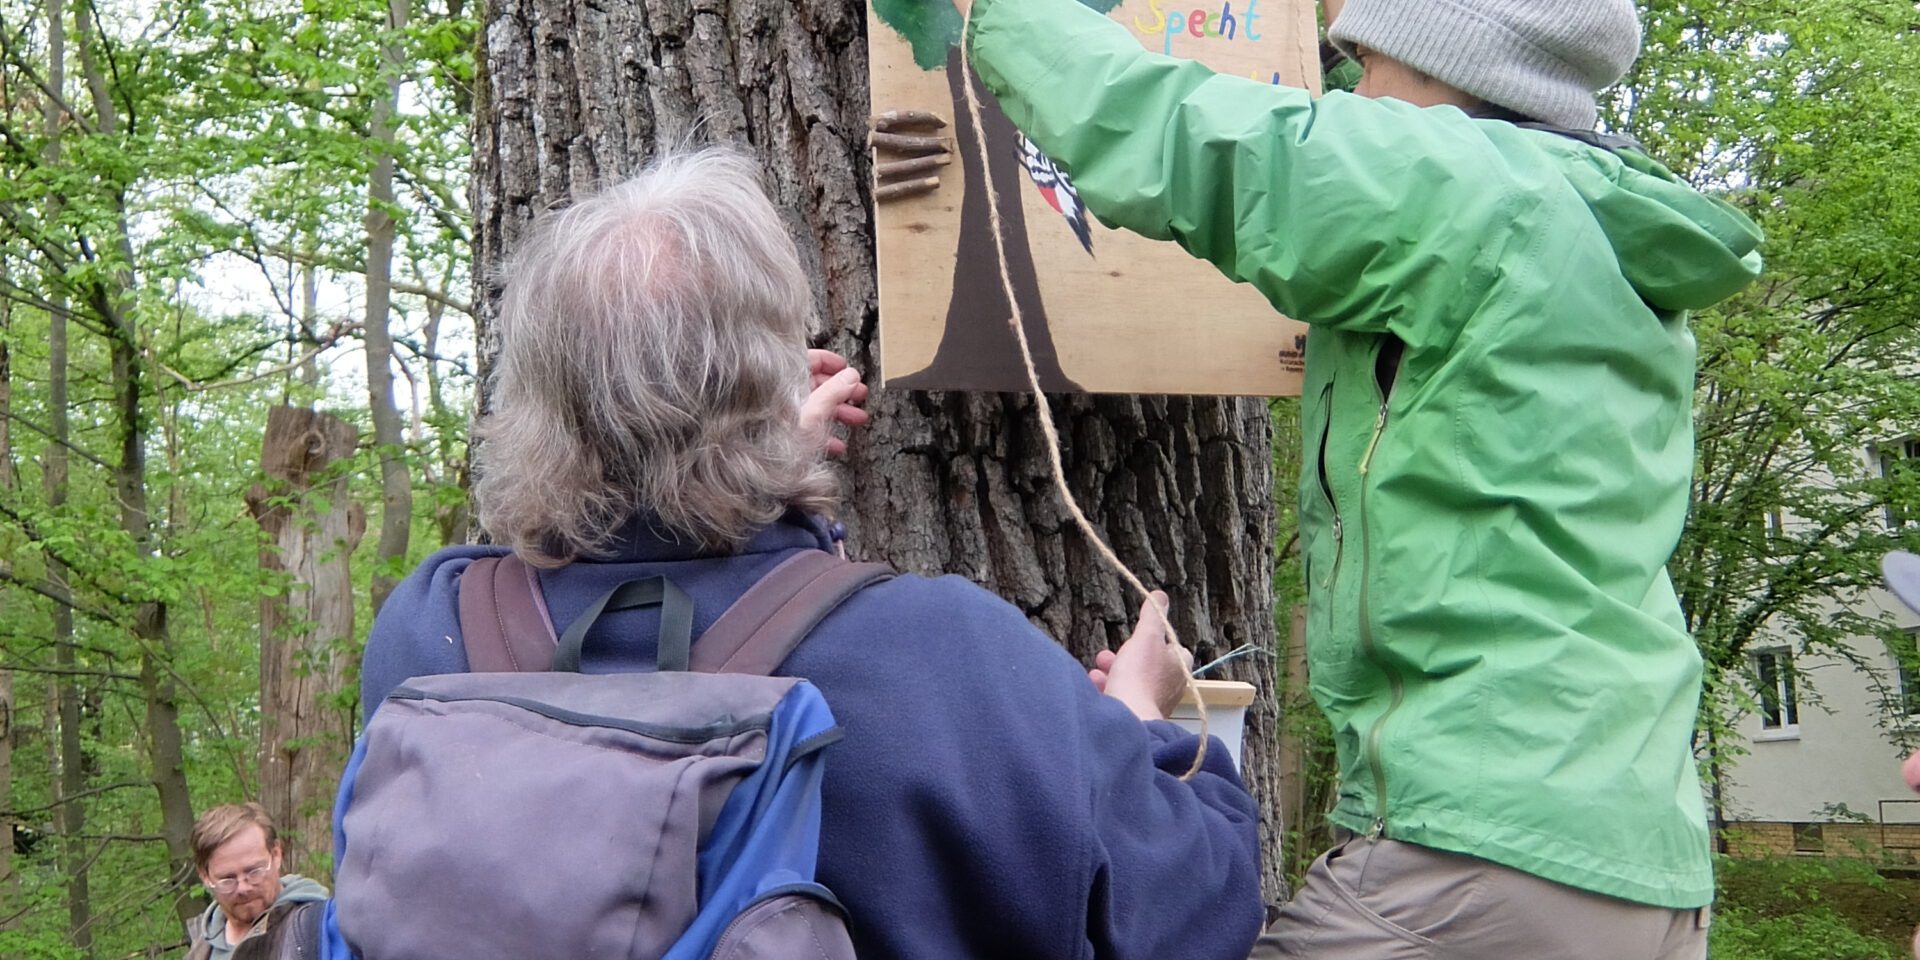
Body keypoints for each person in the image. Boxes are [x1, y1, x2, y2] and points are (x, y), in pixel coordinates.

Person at [950, 0, 1764, 955]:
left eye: (1367, 63)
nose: (1346, 90)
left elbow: (1184, 135)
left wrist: (992, 9)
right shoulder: (1587, 222)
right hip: (1637, 863)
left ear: (1451, 66)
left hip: (1478, 852)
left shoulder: (1461, 181)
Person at [356, 147, 1264, 959]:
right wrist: (1147, 721)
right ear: (770, 373)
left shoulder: (428, 639)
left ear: (532, 391)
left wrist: (739, 461)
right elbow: (1197, 907)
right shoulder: (944, 655)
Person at [185, 803, 327, 960]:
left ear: (276, 855)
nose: (243, 888)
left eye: (254, 872)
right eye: (228, 879)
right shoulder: (201, 945)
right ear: (205, 876)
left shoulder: (316, 928)